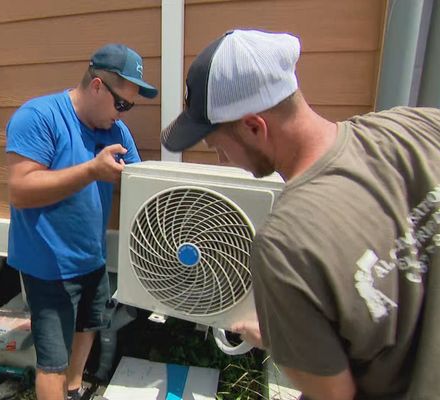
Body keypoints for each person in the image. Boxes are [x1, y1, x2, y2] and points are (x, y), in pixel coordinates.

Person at [161, 29, 440, 400]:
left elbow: (333, 395)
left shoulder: (285, 244)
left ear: (253, 126)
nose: (222, 159)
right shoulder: (416, 126)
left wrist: (290, 344)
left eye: (217, 146)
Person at [6, 44, 158, 400]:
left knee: (88, 327)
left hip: (92, 257)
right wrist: (92, 170)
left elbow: (138, 179)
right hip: (48, 265)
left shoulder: (115, 131)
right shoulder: (39, 116)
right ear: (96, 87)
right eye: (122, 104)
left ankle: (74, 390)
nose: (123, 115)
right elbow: (21, 189)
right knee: (52, 361)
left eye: (130, 107)